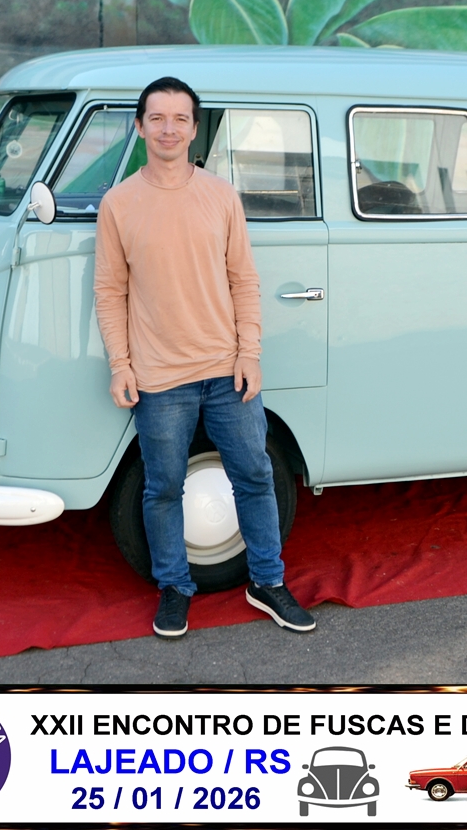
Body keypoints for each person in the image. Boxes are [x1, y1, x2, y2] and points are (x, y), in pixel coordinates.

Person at [93, 76, 316, 640]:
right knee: (163, 487)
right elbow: (109, 292)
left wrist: (250, 353)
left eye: (180, 119)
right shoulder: (118, 204)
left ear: (195, 129)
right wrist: (121, 365)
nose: (168, 129)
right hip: (158, 377)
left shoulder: (220, 196)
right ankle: (174, 588)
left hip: (225, 369)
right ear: (140, 127)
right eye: (157, 118)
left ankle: (267, 581)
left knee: (255, 476)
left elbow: (244, 279)